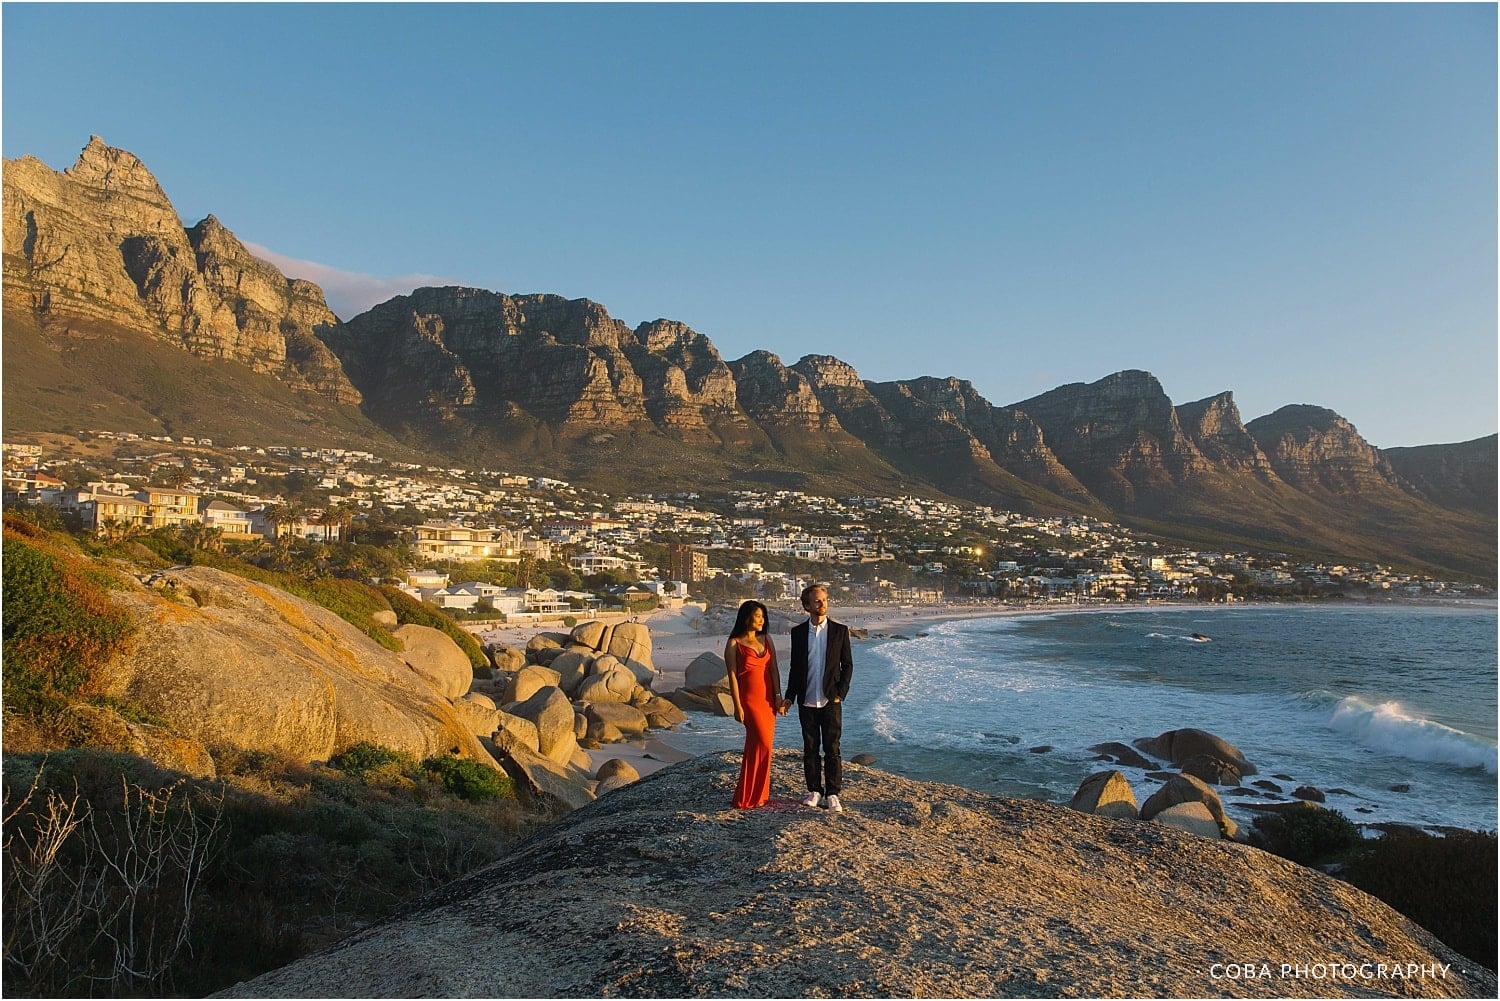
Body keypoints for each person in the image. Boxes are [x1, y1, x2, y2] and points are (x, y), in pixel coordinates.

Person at [781, 584, 853, 812]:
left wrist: (840, 693)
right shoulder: (798, 633)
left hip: (831, 700)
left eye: (825, 600)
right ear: (807, 606)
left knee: (832, 748)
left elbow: (847, 665)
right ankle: (814, 790)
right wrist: (789, 697)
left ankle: (832, 793)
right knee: (810, 748)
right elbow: (795, 668)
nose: (823, 604)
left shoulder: (840, 631)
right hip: (807, 699)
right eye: (818, 601)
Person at [724, 599, 781, 809]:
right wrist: (737, 706)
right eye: (757, 616)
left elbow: (773, 669)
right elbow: (732, 677)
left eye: (763, 616)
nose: (761, 620)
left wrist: (778, 696)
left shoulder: (767, 639)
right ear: (747, 617)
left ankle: (758, 796)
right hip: (750, 701)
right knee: (762, 743)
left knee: (762, 746)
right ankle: (748, 796)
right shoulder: (734, 644)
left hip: (768, 701)